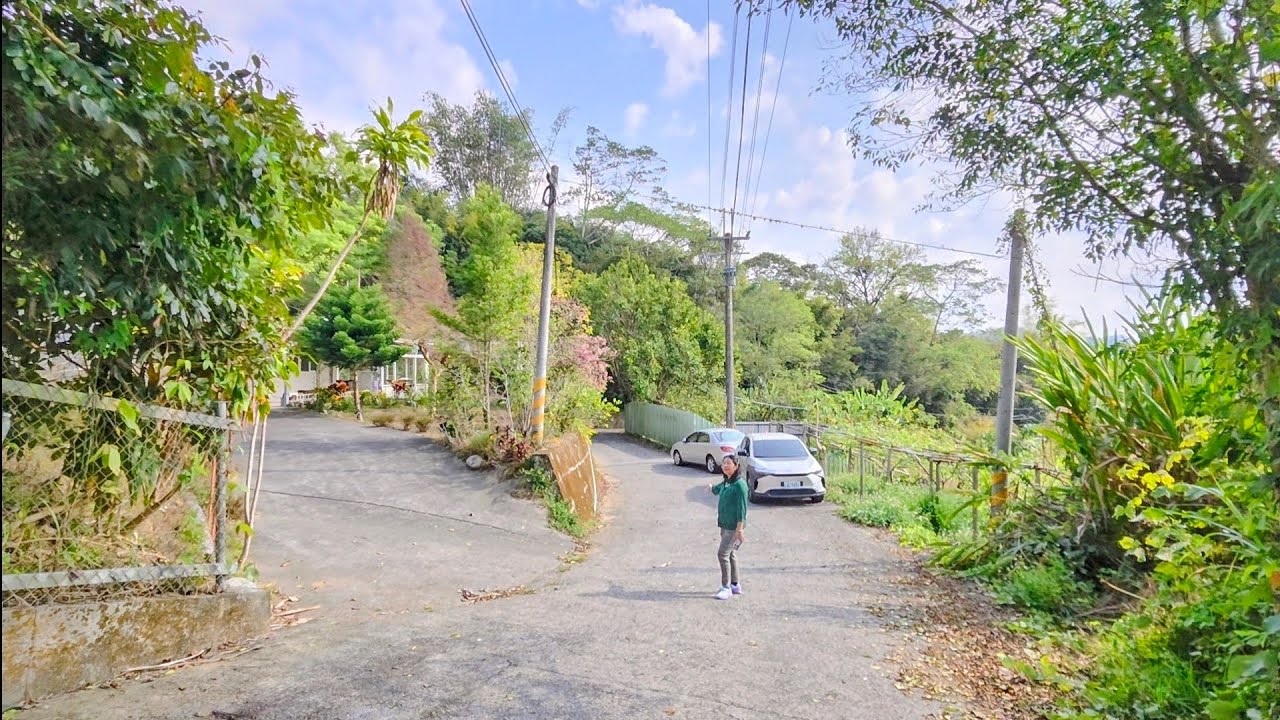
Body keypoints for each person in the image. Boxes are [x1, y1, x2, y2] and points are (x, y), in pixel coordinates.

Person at [708, 454, 748, 600]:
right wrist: (712, 488)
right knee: (731, 554)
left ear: (736, 466)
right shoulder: (727, 482)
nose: (725, 465)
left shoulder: (740, 485)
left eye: (729, 463)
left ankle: (726, 587)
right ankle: (735, 585)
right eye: (724, 463)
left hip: (733, 527)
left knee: (722, 554)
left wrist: (739, 530)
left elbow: (742, 510)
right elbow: (718, 488)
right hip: (724, 524)